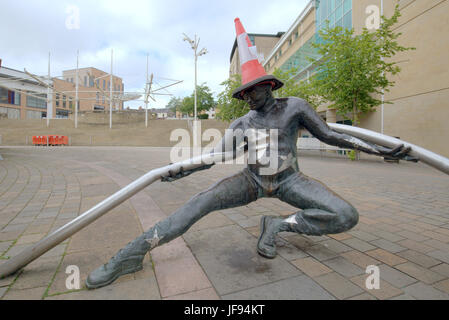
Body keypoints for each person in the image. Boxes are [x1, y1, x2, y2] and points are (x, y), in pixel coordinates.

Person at [85, 18, 415, 289]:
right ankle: (129, 256)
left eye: (251, 91)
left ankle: (278, 225)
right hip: (252, 181)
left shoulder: (295, 107)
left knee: (346, 215)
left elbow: (330, 135)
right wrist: (180, 169)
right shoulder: (243, 122)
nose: (246, 98)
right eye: (242, 94)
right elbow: (214, 156)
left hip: (290, 180)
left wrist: (381, 150)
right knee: (197, 203)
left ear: (268, 86)